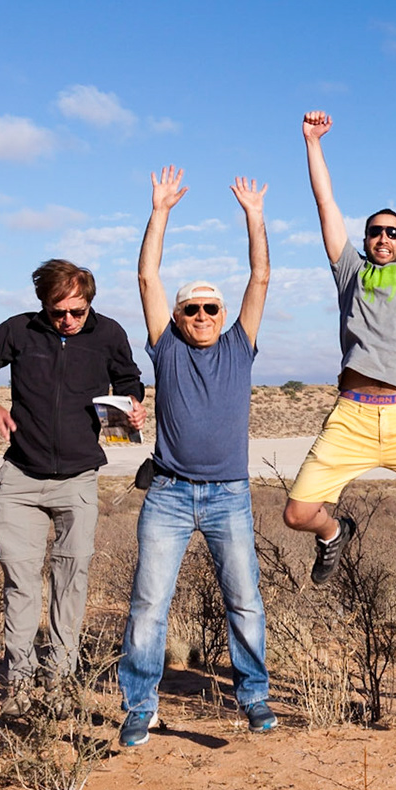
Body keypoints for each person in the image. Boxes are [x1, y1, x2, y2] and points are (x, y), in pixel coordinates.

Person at [117, 166, 275, 748]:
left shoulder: (240, 344)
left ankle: (254, 696)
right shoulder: (167, 349)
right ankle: (140, 706)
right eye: (194, 310)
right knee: (148, 604)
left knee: (245, 601)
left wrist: (254, 217)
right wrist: (159, 211)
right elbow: (146, 275)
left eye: (212, 308)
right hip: (169, 494)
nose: (204, 317)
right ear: (178, 318)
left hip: (229, 496)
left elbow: (260, 277)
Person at [0, 259, 146, 716]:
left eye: (77, 311)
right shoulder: (19, 331)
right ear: (44, 306)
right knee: (21, 584)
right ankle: (18, 690)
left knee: (70, 584)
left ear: (89, 303)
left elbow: (129, 379)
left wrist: (134, 406)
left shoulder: (109, 333)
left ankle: (59, 686)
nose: (69, 321)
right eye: (59, 313)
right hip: (20, 480)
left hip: (78, 480)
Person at [282, 111, 396, 578]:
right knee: (297, 514)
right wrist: (312, 142)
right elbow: (325, 203)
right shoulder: (350, 271)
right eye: (376, 232)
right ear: (364, 240)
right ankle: (333, 533)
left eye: (393, 232)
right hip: (352, 417)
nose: (384, 237)